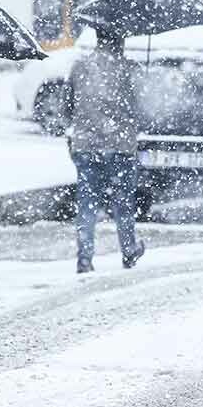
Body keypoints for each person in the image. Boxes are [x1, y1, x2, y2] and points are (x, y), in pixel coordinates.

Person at [67, 25, 147, 273]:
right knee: (123, 203)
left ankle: (84, 258)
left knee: (87, 204)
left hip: (85, 144)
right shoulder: (130, 69)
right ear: (120, 41)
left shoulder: (80, 67)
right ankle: (128, 250)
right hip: (120, 146)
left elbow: (67, 105)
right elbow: (141, 109)